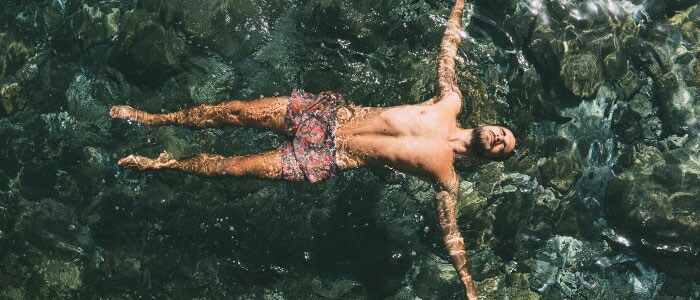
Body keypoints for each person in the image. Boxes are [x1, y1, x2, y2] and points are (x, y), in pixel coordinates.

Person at [110, 1, 515, 299]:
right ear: (490, 124)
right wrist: (459, 7)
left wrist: (468, 287)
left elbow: (452, 234)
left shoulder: (447, 178)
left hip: (328, 158)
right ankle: (153, 119)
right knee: (234, 111)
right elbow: (448, 53)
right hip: (328, 115)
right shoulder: (450, 103)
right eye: (502, 132)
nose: (498, 137)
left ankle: (163, 163)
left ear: (488, 157)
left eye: (501, 146)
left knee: (232, 171)